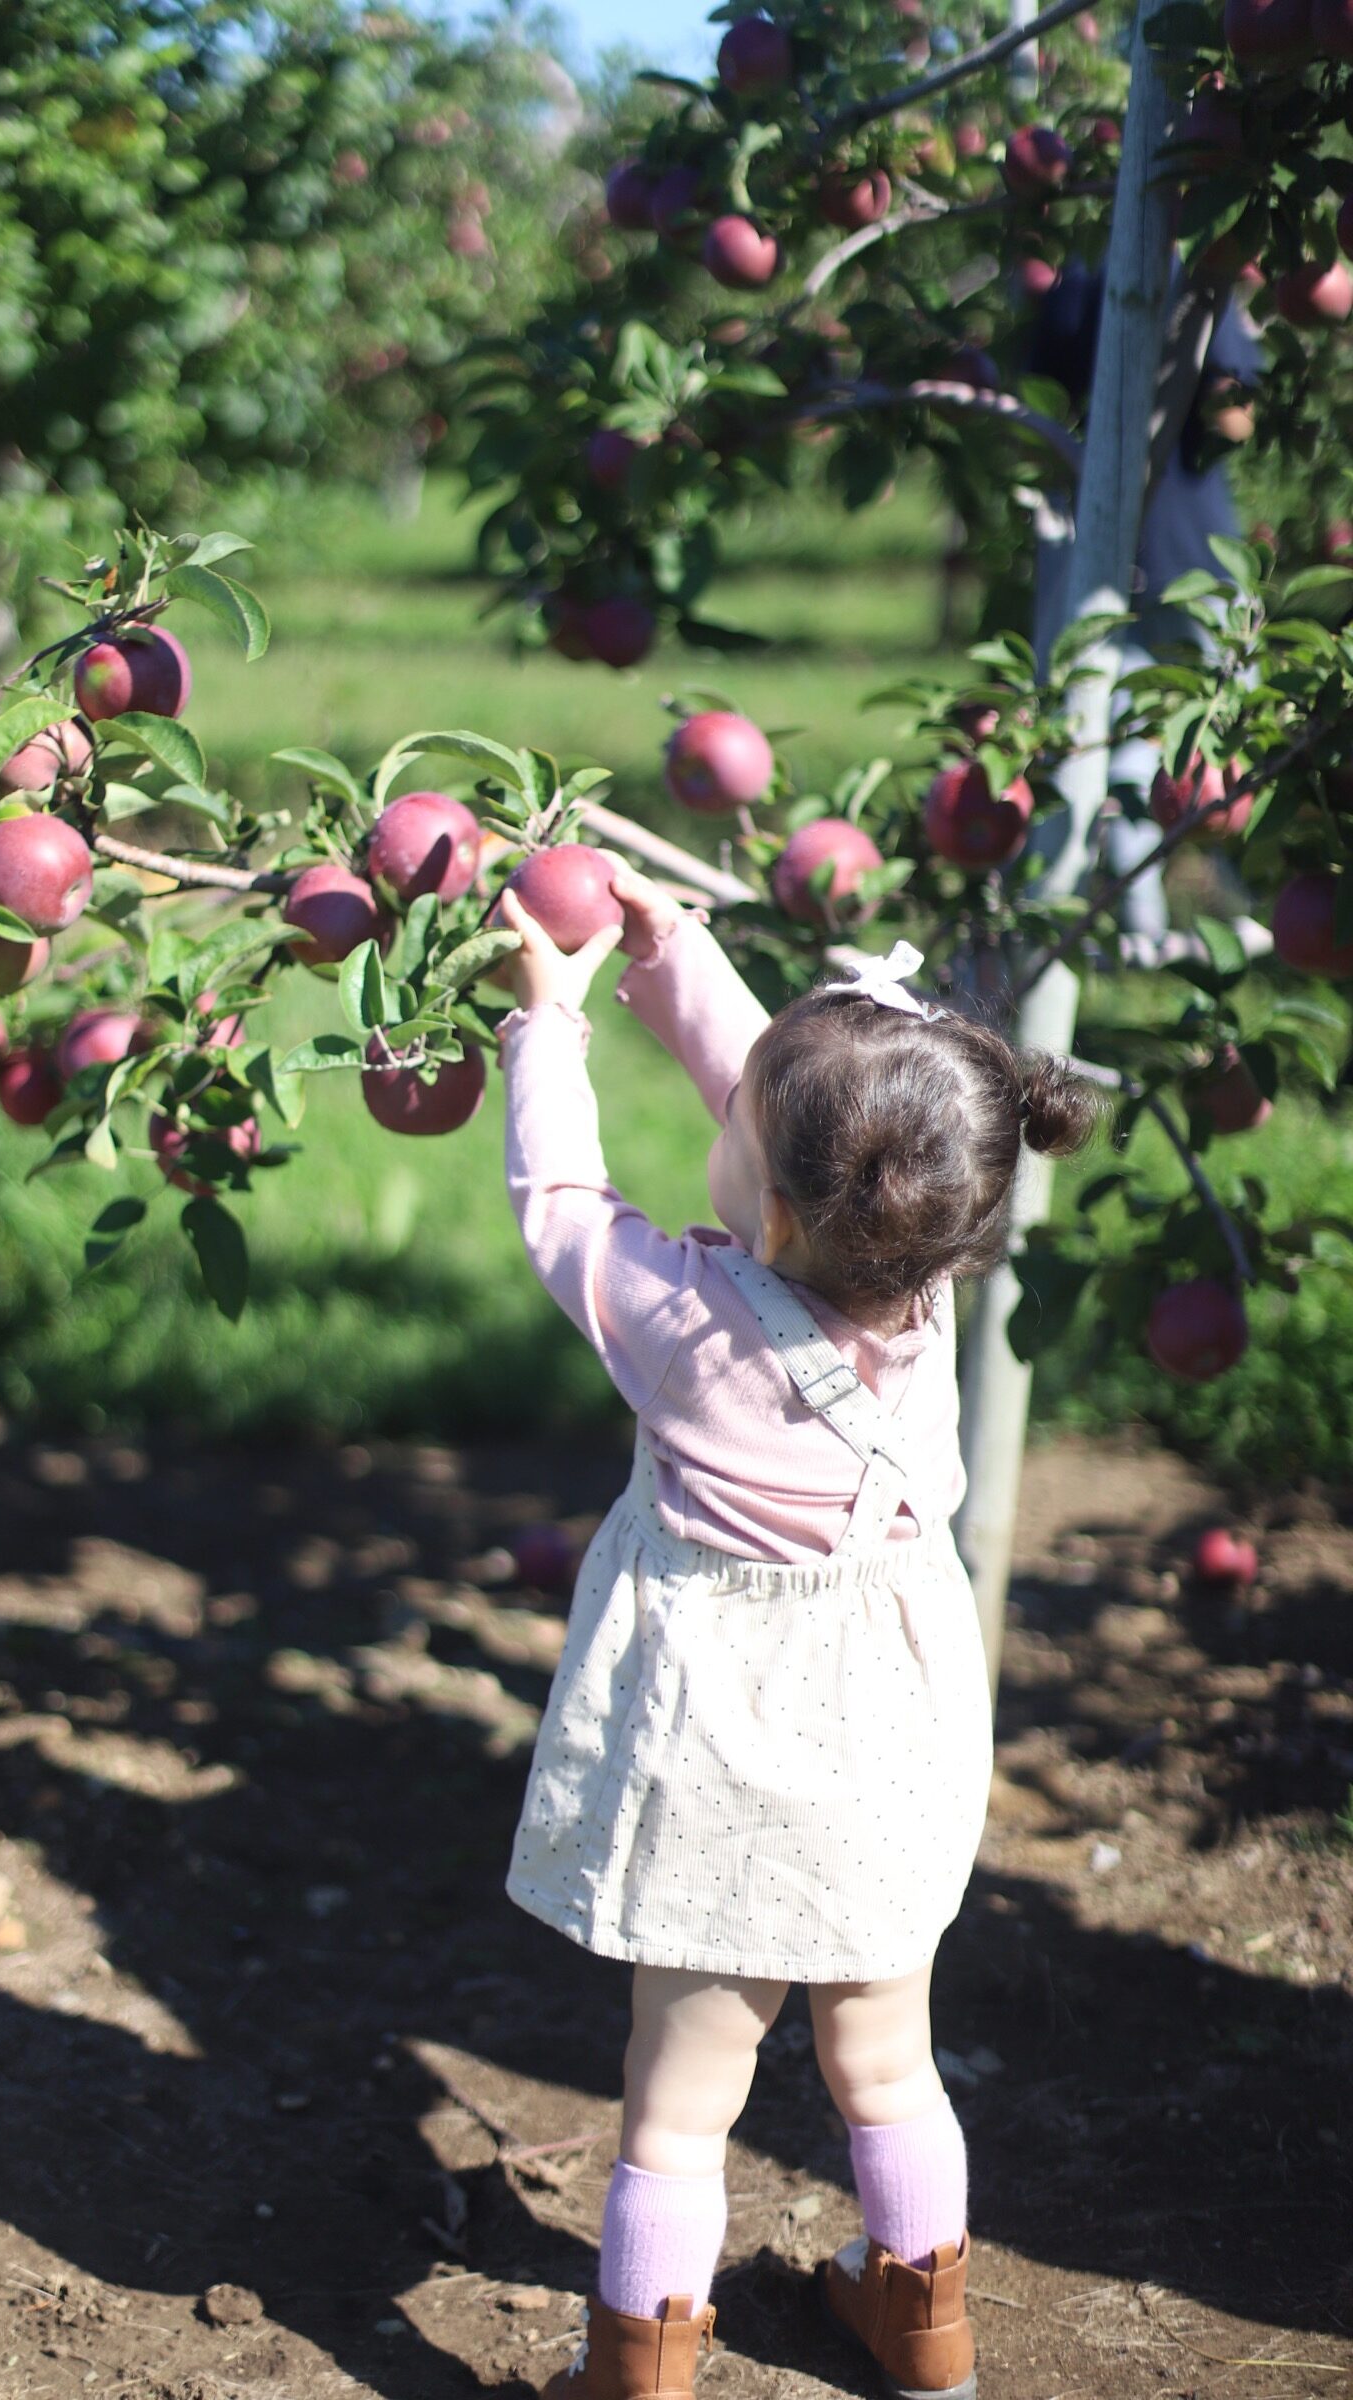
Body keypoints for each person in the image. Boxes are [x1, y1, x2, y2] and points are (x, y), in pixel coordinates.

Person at [493, 867, 1097, 2400]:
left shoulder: (687, 1324)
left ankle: (640, 2366)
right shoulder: (927, 1275)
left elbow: (560, 1207)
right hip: (894, 1727)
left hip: (726, 1748)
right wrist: (675, 953)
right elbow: (822, 1115)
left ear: (765, 1201)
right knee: (889, 2061)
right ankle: (920, 2320)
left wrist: (547, 1026)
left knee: (680, 2099)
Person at [1026, 259, 1263, 948]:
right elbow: (1233, 412)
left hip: (1099, 540)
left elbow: (1041, 397)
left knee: (1122, 747)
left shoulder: (1075, 280)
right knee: (1230, 733)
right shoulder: (1191, 282)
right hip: (1195, 548)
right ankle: (1241, 906)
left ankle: (1141, 931)